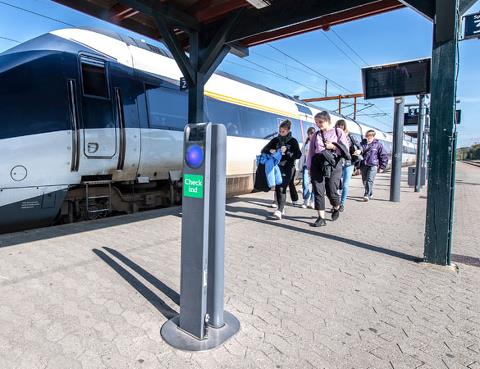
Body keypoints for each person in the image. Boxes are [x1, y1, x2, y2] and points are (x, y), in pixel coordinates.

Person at [307, 112, 350, 227]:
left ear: (328, 120)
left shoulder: (338, 132)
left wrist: (334, 146)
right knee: (318, 190)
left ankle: (336, 206)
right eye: (316, 122)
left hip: (333, 164)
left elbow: (345, 149)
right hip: (317, 163)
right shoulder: (316, 135)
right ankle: (321, 218)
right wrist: (309, 167)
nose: (318, 124)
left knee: (331, 191)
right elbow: (311, 152)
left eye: (320, 122)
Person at [262, 120, 301, 219]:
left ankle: (279, 210)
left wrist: (287, 151)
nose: (281, 133)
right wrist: (271, 150)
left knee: (282, 187)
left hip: (288, 167)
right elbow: (264, 150)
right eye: (280, 131)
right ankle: (281, 207)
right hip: (277, 167)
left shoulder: (293, 141)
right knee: (278, 187)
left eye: (283, 131)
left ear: (288, 131)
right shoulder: (276, 140)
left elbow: (298, 155)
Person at [335, 120, 362, 212]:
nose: (340, 127)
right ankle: (335, 203)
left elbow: (360, 146)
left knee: (345, 184)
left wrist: (359, 151)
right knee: (336, 184)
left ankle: (341, 204)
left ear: (344, 126)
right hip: (336, 163)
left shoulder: (350, 136)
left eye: (342, 125)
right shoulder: (334, 135)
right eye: (338, 125)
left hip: (348, 163)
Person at [359, 129, 389, 201]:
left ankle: (367, 195)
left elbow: (383, 155)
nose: (367, 137)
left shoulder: (378, 145)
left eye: (369, 135)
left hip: (373, 165)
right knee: (364, 181)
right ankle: (370, 192)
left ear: (373, 136)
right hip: (363, 165)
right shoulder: (362, 144)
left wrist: (382, 167)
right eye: (366, 135)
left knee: (370, 180)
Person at [299, 127, 316, 208]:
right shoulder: (306, 143)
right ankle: (306, 199)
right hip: (306, 166)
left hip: (315, 167)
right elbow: (302, 156)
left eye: (312, 133)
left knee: (314, 184)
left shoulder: (317, 142)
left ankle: (312, 200)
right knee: (305, 183)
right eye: (309, 134)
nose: (310, 135)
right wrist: (300, 166)